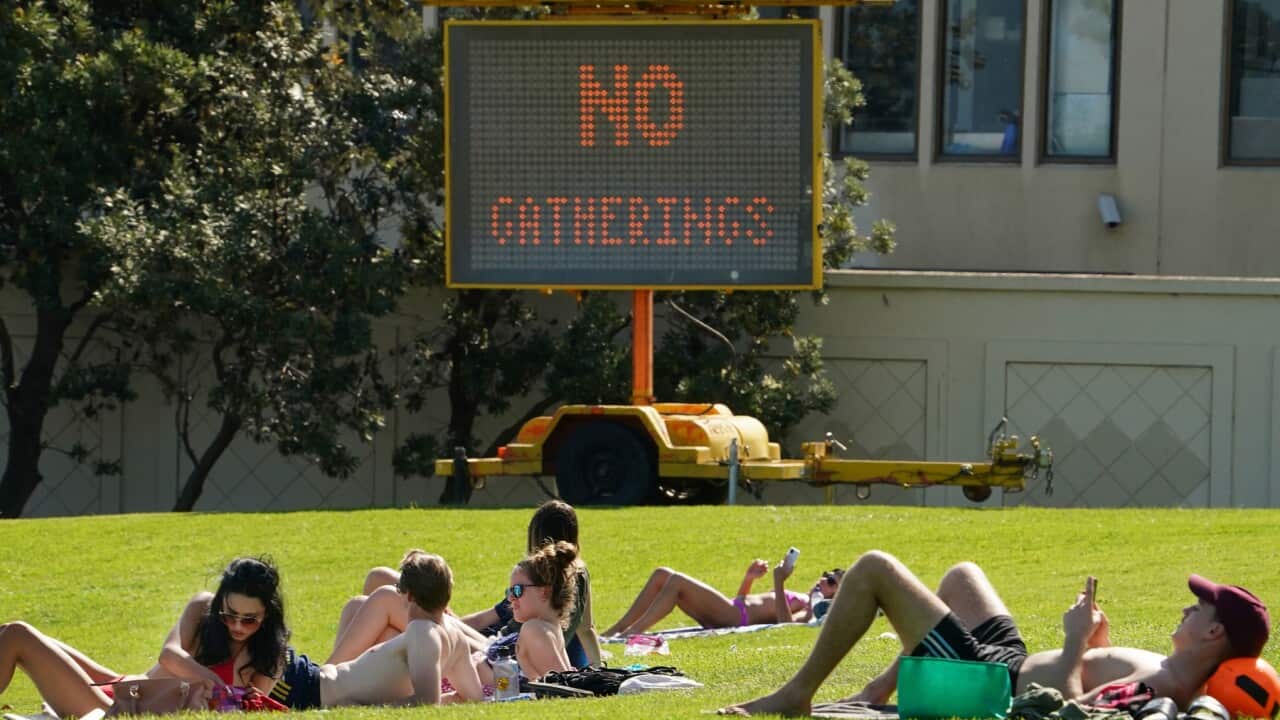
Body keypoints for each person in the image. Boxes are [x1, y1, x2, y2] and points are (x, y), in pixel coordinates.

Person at [720, 551, 1271, 716]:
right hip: (1011, 657)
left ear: (1214, 632)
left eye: (1197, 607)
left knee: (874, 569)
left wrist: (1077, 640)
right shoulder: (1169, 669)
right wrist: (1096, 643)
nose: (1185, 607)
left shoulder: (1166, 689)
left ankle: (795, 696)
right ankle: (875, 692)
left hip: (995, 683)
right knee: (963, 576)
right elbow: (1090, 689)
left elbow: (1061, 708)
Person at [0, 557, 289, 719]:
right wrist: (215, 682)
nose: (237, 625)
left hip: (122, 709)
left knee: (17, 635)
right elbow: (169, 656)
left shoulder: (267, 653)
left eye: (249, 619)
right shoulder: (203, 606)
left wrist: (222, 690)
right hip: (125, 685)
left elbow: (250, 710)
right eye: (229, 614)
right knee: (6, 631)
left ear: (267, 615)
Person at [330, 500, 601, 668]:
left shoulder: (537, 584)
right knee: (365, 605)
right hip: (488, 644)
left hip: (490, 651)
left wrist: (440, 616)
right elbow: (587, 629)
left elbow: (489, 623)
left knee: (383, 591)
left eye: (516, 592)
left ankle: (323, 677)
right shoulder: (574, 574)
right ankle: (333, 678)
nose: (514, 596)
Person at [282, 550, 484, 708]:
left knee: (256, 660)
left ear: (410, 596)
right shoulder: (457, 639)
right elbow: (474, 697)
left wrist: (367, 709)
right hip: (312, 681)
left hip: (307, 689)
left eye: (399, 590)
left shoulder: (421, 631)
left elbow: (426, 701)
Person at [603, 558, 843, 637]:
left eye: (830, 582)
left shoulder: (813, 608)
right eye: (825, 575)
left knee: (675, 581)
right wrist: (749, 578)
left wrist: (779, 582)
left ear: (835, 594)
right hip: (733, 610)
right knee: (662, 574)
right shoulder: (801, 596)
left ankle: (629, 635)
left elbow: (786, 626)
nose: (823, 580)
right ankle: (616, 630)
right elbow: (745, 601)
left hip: (732, 617)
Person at [506, 540, 580, 680]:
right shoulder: (551, 629)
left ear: (544, 592)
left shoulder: (534, 629)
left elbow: (564, 687)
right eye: (509, 592)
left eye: (517, 590)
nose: (510, 598)